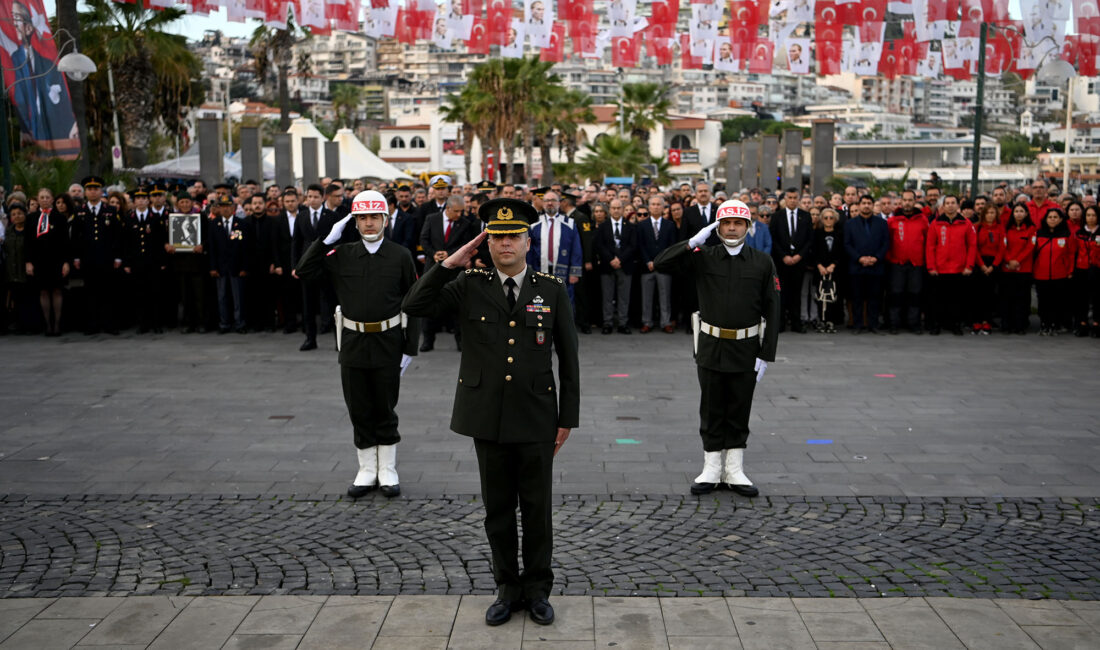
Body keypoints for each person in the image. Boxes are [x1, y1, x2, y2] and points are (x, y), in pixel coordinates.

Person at [402, 198, 579, 628]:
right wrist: (449, 264)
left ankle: (537, 590)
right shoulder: (469, 284)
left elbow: (569, 359)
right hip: (487, 415)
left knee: (536, 510)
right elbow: (414, 305)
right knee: (497, 511)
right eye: (497, 237)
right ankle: (507, 589)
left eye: (513, 236)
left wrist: (566, 419)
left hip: (536, 415)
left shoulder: (550, 289)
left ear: (527, 241)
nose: (505, 244)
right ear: (487, 242)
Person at [296, 190, 420, 498]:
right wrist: (326, 240)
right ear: (354, 222)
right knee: (359, 406)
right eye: (362, 218)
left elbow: (415, 301)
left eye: (374, 217)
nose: (368, 223)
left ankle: (387, 468)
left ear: (385, 220)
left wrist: (410, 348)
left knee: (385, 406)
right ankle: (366, 469)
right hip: (352, 341)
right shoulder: (341, 254)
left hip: (389, 341)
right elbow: (304, 271)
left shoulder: (400, 255)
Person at [654, 199, 780, 497]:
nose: (732, 228)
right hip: (711, 345)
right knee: (711, 407)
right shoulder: (704, 256)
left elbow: (773, 308)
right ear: (717, 227)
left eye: (738, 223)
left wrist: (766, 354)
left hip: (747, 347)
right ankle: (711, 467)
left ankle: (734, 469)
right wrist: (692, 242)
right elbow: (660, 264)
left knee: (739, 406)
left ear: (748, 227)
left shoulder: (763, 262)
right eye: (726, 223)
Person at [419, 194, 477, 351]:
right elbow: (424, 239)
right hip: (433, 268)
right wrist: (433, 254)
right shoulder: (432, 219)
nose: (459, 214)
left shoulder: (464, 223)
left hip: (454, 271)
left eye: (461, 211)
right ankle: (428, 340)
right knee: (429, 304)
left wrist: (449, 254)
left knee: (457, 306)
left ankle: (460, 341)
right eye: (456, 211)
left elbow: (466, 245)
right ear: (448, 208)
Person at [72, 176, 123, 335]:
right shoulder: (79, 211)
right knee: (90, 292)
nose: (93, 192)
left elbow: (117, 236)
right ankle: (92, 324)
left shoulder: (110, 210)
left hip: (106, 258)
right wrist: (76, 257)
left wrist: (117, 256)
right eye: (89, 189)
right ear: (85, 192)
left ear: (101, 191)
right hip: (88, 258)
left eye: (96, 189)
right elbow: (75, 237)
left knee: (108, 291)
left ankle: (109, 324)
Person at [925, 195, 976, 336]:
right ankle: (936, 325)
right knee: (938, 299)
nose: (950, 205)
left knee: (956, 300)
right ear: (943, 206)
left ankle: (955, 325)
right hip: (940, 268)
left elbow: (972, 246)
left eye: (953, 203)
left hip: (959, 268)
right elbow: (930, 246)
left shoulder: (966, 223)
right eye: (947, 203)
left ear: (958, 205)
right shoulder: (935, 223)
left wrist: (969, 266)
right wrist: (931, 266)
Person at [122, 186, 169, 334]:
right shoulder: (129, 218)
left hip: (153, 261)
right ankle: (143, 323)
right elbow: (126, 243)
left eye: (143, 198)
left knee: (155, 293)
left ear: (148, 201)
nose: (141, 201)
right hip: (136, 262)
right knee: (139, 293)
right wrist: (127, 262)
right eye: (138, 198)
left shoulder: (155, 218)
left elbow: (161, 241)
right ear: (134, 201)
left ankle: (156, 323)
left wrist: (162, 261)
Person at [26, 191, 70, 336]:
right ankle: (47, 324)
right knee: (43, 291)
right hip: (39, 261)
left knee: (57, 290)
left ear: (52, 199)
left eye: (47, 197)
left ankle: (57, 324)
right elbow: (28, 242)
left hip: (56, 260)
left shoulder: (59, 218)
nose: (45, 200)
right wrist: (28, 262)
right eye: (42, 197)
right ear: (38, 200)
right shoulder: (31, 218)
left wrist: (66, 261)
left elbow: (65, 242)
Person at [844, 195, 889, 334]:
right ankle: (857, 325)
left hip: (876, 266)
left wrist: (876, 258)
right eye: (863, 203)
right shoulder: (850, 224)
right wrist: (859, 258)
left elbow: (885, 243)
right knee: (857, 298)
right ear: (859, 205)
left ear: (873, 205)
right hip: (857, 266)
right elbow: (847, 244)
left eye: (869, 203)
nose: (866, 205)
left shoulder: (882, 223)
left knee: (874, 298)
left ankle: (873, 324)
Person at [770, 187, 813, 332]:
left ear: (798, 199)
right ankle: (781, 323)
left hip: (799, 261)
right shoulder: (777, 216)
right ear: (785, 199)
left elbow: (809, 239)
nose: (793, 200)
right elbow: (774, 239)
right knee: (781, 293)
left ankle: (796, 323)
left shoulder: (805, 216)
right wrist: (784, 255)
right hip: (782, 261)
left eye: (795, 198)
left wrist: (799, 256)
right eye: (790, 197)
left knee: (797, 293)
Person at [886, 189, 928, 334]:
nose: (907, 203)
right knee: (895, 294)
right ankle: (894, 323)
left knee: (914, 295)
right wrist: (890, 259)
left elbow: (927, 241)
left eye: (910, 200)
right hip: (897, 264)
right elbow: (888, 242)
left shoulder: (923, 220)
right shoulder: (892, 221)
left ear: (915, 201)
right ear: (901, 201)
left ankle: (914, 323)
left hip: (916, 264)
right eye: (905, 200)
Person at [293, 184, 328, 350]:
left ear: (323, 198)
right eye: (309, 197)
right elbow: (296, 243)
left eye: (315, 197)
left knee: (330, 302)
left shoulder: (331, 216)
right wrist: (295, 266)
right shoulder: (302, 216)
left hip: (326, 266)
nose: (312, 200)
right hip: (307, 267)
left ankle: (338, 339)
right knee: (308, 305)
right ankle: (310, 338)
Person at [637, 194, 677, 333]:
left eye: (658, 204)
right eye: (653, 204)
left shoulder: (669, 225)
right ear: (649, 207)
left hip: (663, 267)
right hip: (647, 267)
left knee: (665, 297)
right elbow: (640, 246)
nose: (655, 207)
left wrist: (659, 262)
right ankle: (647, 322)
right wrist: (648, 261)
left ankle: (665, 322)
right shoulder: (642, 225)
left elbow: (671, 247)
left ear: (663, 207)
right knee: (646, 297)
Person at [595, 198, 637, 334]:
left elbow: (632, 246)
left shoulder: (630, 226)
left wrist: (620, 260)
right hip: (607, 266)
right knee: (607, 296)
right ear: (609, 210)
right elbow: (600, 245)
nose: (616, 210)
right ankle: (607, 323)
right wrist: (611, 259)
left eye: (619, 208)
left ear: (623, 209)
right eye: (613, 208)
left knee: (624, 297)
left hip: (625, 265)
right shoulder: (603, 226)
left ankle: (622, 323)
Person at [1032, 208, 1076, 336]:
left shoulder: (1067, 234)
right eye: (1050, 217)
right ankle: (1044, 323)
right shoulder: (1039, 234)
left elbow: (1071, 254)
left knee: (1057, 301)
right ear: (1045, 219)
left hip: (1060, 274)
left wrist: (1070, 271)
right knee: (1043, 301)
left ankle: (1055, 324)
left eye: (1055, 217)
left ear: (1061, 219)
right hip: (1041, 274)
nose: (1052, 219)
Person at [1000, 203, 1036, 335]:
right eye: (1016, 211)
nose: (1019, 214)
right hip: (1007, 268)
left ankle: (1020, 325)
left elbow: (1030, 247)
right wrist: (1009, 260)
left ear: (1026, 213)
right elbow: (1003, 246)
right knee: (1007, 298)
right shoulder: (1007, 228)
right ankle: (1006, 324)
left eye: (1021, 211)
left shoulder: (1031, 229)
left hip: (1024, 268)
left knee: (1022, 298)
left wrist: (1017, 261)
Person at [271, 188, 303, 334]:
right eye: (287, 201)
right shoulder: (278, 220)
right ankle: (290, 323)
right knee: (288, 295)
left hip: (302, 261)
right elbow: (275, 244)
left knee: (303, 294)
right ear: (283, 203)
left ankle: (306, 323)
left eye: (292, 201)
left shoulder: (305, 216)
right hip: (285, 263)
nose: (290, 204)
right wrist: (277, 264)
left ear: (298, 201)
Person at [971, 205, 1005, 335]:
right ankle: (977, 320)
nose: (990, 215)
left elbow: (1002, 248)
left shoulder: (1000, 228)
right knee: (977, 294)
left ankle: (987, 321)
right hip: (980, 263)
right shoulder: (977, 227)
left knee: (990, 294)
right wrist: (981, 265)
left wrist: (993, 266)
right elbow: (974, 247)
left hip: (994, 264)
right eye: (988, 213)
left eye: (992, 213)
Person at [811, 208, 845, 333]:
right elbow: (813, 251)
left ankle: (831, 321)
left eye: (831, 217)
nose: (828, 220)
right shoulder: (817, 234)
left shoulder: (840, 234)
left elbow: (842, 252)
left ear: (835, 219)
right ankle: (821, 320)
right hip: (820, 270)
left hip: (835, 271)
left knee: (833, 296)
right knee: (820, 296)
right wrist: (819, 266)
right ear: (822, 219)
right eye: (826, 217)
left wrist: (833, 265)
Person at [1077, 205, 1100, 337]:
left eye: (1094, 215)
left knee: (1097, 297)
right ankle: (1083, 323)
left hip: (1097, 269)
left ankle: (1097, 323)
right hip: (1082, 269)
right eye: (1088, 215)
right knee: (1082, 298)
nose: (1091, 218)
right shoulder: (1080, 233)